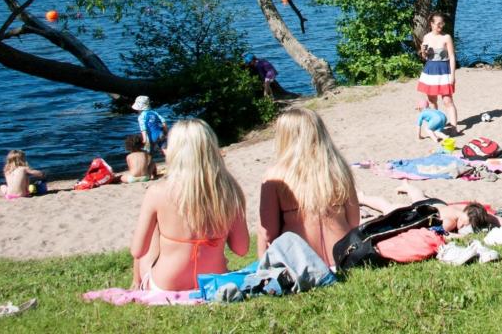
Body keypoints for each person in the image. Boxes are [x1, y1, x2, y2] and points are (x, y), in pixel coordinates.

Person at [130, 119, 249, 291]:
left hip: (166, 284)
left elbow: (138, 251)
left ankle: (137, 283)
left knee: (156, 225)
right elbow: (242, 248)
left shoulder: (158, 191)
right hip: (212, 280)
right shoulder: (229, 190)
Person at [258, 108, 361, 267]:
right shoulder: (339, 169)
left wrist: (263, 269)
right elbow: (354, 221)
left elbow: (267, 234)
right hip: (344, 258)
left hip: (302, 264)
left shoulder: (274, 176)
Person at [372, 183, 499, 232]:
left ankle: (407, 186)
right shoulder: (450, 223)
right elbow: (439, 233)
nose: (463, 227)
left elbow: (489, 216)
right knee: (388, 208)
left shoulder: (465, 208)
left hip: (437, 204)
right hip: (424, 209)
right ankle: (362, 197)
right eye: (465, 224)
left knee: (419, 196)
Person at [418, 12, 460, 132]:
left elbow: (452, 57)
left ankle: (454, 127)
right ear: (431, 24)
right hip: (430, 71)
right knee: (432, 101)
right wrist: (423, 52)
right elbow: (425, 58)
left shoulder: (446, 37)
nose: (440, 26)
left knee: (448, 101)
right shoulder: (426, 37)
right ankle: (437, 124)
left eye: (442, 23)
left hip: (443, 71)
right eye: (438, 24)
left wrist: (453, 75)